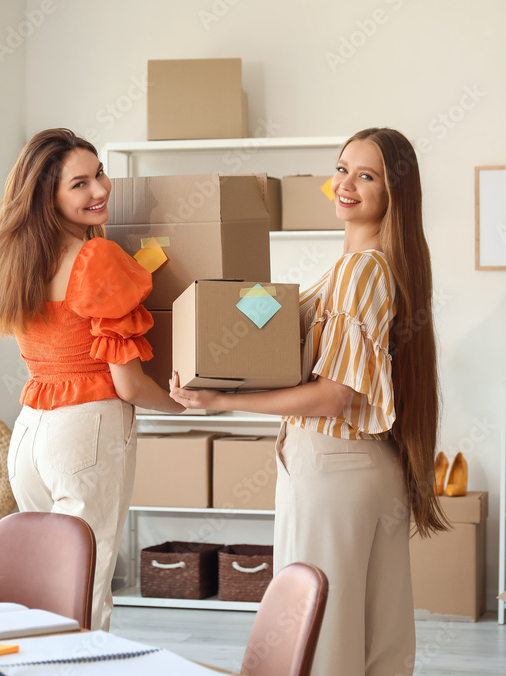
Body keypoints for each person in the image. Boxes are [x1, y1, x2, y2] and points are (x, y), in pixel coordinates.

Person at [170, 128, 447, 676]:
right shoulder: (378, 265)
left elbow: (332, 396)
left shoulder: (361, 270)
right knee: (376, 639)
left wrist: (222, 402)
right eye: (342, 168)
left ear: (394, 192)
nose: (345, 184)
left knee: (318, 634)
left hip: (332, 466)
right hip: (367, 466)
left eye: (366, 175)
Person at [0, 128, 183, 631]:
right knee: (85, 590)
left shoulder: (14, 262)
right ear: (48, 196)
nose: (100, 191)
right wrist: (186, 403)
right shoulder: (94, 258)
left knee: (44, 587)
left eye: (100, 174)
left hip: (29, 432)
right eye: (80, 184)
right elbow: (129, 385)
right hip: (86, 432)